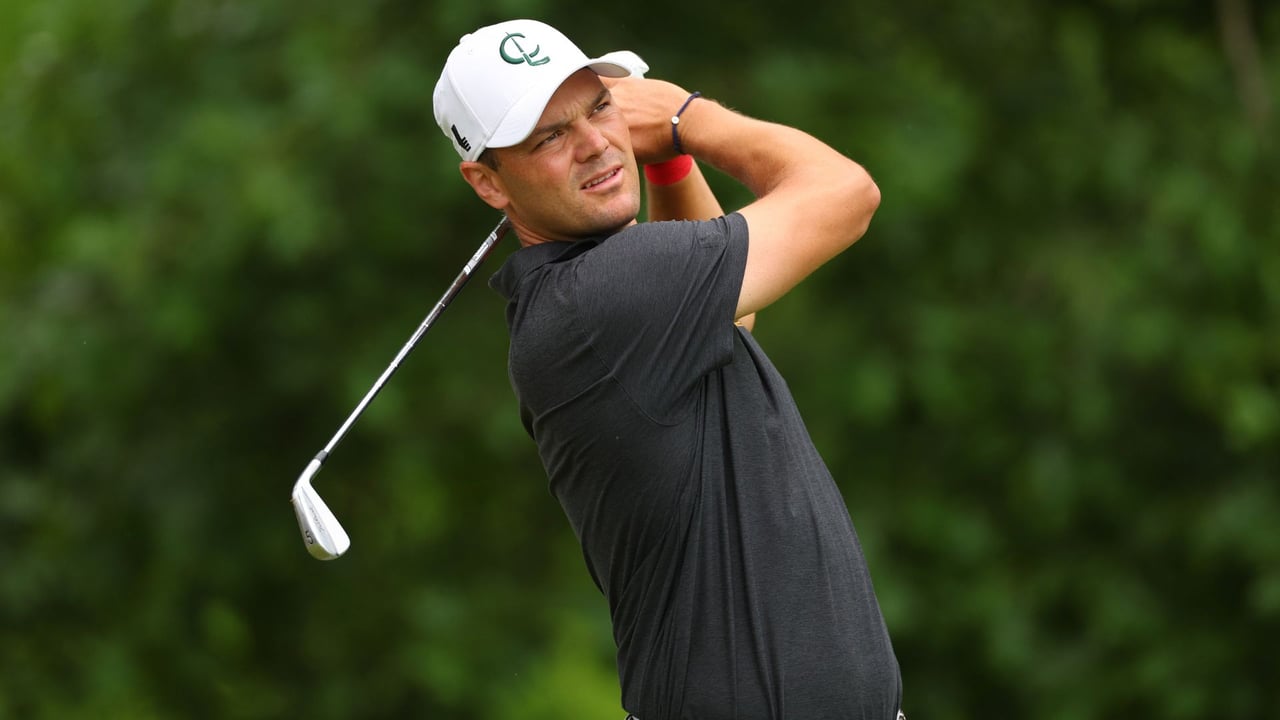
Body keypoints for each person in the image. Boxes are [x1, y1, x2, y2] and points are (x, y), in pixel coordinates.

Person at [433, 19, 903, 720]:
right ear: (488, 183)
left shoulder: (607, 306)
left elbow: (731, 324)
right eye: (548, 137)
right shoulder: (601, 296)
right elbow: (846, 194)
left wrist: (666, 162)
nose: (595, 143)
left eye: (599, 106)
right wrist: (689, 117)